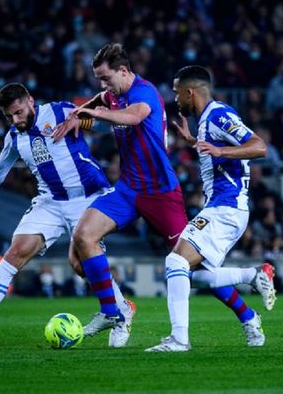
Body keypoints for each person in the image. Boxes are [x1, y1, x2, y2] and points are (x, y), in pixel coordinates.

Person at [53, 45, 266, 348]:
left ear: (124, 71)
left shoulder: (145, 92)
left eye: (106, 78)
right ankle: (116, 311)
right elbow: (102, 100)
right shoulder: (111, 95)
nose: (103, 85)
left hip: (161, 192)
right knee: (83, 237)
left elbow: (133, 117)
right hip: (128, 188)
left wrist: (96, 114)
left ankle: (248, 316)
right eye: (99, 79)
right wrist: (80, 116)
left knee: (194, 267)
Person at [0, 83, 129, 350]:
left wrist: (87, 120)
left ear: (31, 101)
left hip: (89, 198)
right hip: (50, 202)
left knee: (79, 265)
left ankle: (120, 313)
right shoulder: (14, 137)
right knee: (15, 252)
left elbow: (101, 124)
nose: (15, 119)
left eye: (19, 112)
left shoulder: (61, 111)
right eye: (9, 116)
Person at [145, 65, 276, 352]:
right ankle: (252, 293)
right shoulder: (207, 120)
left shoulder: (219, 115)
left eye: (178, 93)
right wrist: (196, 142)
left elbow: (259, 146)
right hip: (223, 207)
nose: (176, 100)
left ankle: (180, 340)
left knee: (176, 262)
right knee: (194, 275)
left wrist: (221, 150)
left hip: (226, 207)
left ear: (190, 92)